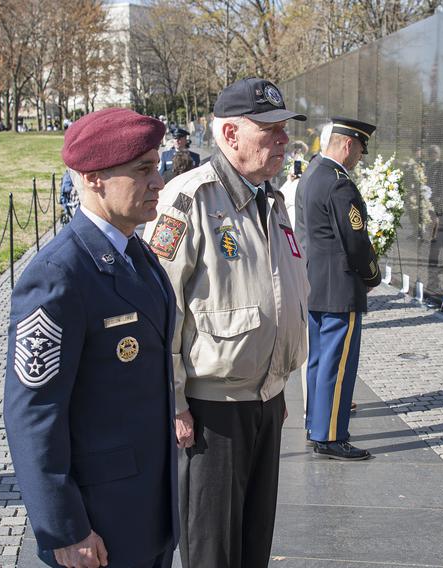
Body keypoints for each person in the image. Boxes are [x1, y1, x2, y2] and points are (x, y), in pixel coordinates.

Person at [143, 77, 309, 568]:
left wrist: (275, 386)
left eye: (284, 128)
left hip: (264, 400)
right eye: (269, 129)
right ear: (230, 135)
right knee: (213, 550)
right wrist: (174, 403)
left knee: (254, 543)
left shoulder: (272, 201)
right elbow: (161, 311)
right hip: (210, 410)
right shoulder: (189, 199)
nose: (282, 139)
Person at [3, 108, 179, 568]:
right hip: (99, 522)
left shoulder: (136, 252)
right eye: (143, 169)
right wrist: (63, 527)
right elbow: (34, 412)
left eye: (157, 166)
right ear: (94, 178)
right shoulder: (59, 275)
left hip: (149, 504)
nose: (158, 181)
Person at [299, 116, 380, 461]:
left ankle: (315, 424)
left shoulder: (312, 173)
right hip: (339, 288)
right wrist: (372, 275)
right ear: (348, 145)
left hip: (315, 283)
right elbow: (356, 241)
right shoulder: (338, 184)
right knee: (338, 364)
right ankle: (331, 436)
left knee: (319, 361)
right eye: (361, 150)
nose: (360, 157)